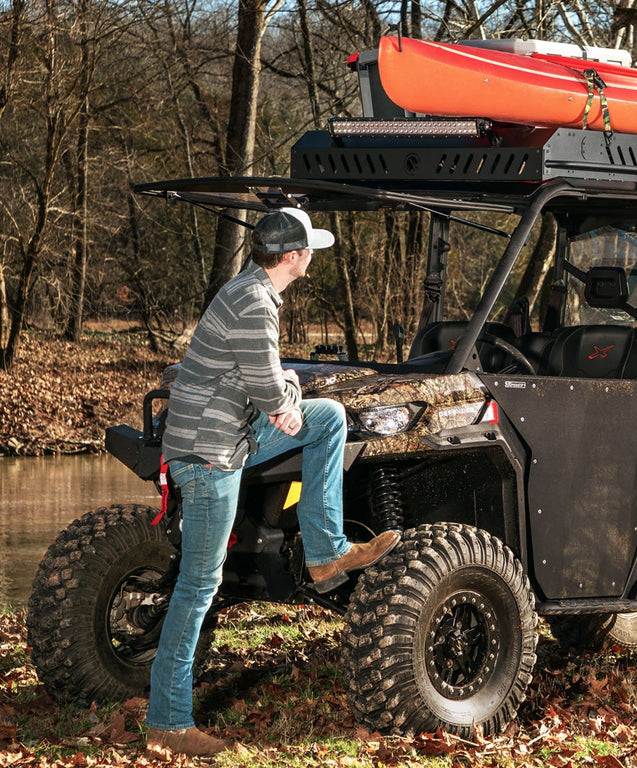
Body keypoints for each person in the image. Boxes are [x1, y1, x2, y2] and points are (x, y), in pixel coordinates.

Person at [146, 207, 400, 756]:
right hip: (209, 453)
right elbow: (268, 387)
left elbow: (262, 377)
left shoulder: (249, 289)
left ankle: (326, 553)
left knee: (327, 418)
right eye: (310, 249)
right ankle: (168, 721)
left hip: (226, 432)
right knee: (197, 587)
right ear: (293, 256)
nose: (312, 257)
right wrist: (282, 398)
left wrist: (282, 396)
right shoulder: (256, 302)